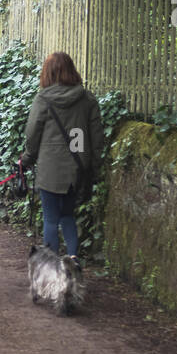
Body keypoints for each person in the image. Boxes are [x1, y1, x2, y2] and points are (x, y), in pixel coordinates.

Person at [20, 52, 104, 263]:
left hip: (50, 170)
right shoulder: (87, 99)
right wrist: (93, 169)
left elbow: (32, 134)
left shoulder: (43, 98)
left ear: (48, 73)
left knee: (50, 219)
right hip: (77, 169)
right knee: (68, 216)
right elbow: (97, 138)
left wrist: (27, 159)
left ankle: (52, 267)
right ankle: (73, 261)